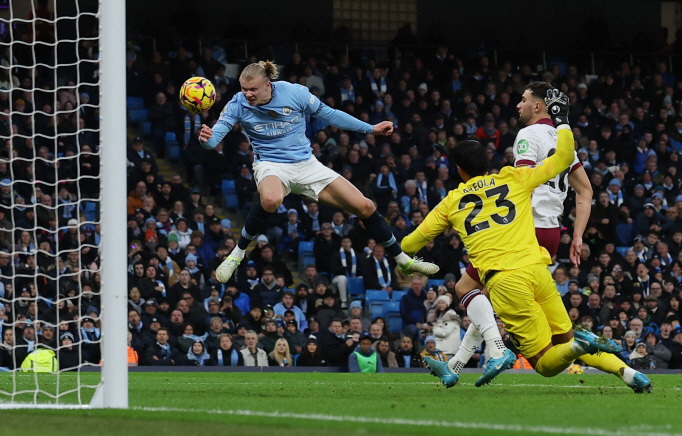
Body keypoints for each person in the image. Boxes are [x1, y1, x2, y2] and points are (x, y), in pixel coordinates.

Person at [402, 89, 648, 391]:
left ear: (537, 105)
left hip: (521, 236)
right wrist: (564, 122)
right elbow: (579, 182)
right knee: (487, 297)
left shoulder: (524, 139)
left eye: (523, 100)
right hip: (548, 237)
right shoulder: (534, 159)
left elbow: (410, 245)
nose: (518, 105)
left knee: (474, 289)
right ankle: (628, 373)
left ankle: (495, 350)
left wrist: (406, 260)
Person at [199, 61, 438, 285]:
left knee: (365, 207)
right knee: (271, 199)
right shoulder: (237, 103)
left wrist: (371, 128)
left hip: (307, 165)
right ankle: (236, 255)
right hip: (271, 165)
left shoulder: (295, 93)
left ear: (268, 85)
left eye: (252, 89)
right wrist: (207, 140)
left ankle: (403, 261)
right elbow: (214, 138)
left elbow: (331, 115)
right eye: (243, 89)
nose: (247, 94)